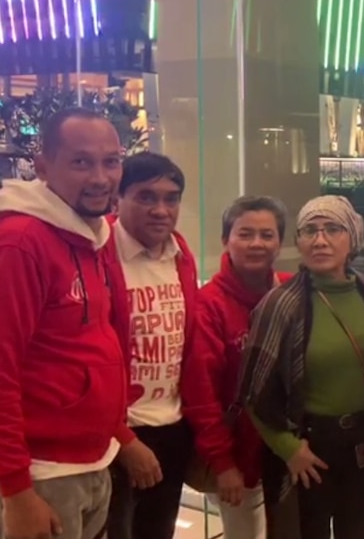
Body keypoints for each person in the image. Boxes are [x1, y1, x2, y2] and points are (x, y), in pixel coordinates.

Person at [234, 195, 364, 539]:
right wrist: (288, 448)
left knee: (363, 531)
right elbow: (254, 393)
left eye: (332, 229)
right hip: (307, 448)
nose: (320, 239)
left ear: (352, 238)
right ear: (298, 241)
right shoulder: (280, 306)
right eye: (309, 230)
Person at [0, 108, 127, 539]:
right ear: (42, 167)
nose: (100, 177)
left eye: (111, 161)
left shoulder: (92, 235)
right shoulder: (21, 243)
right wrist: (16, 491)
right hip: (42, 474)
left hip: (91, 461)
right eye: (80, 162)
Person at [183, 196, 293, 539]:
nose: (256, 244)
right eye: (245, 234)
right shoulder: (209, 305)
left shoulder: (290, 290)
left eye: (267, 235)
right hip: (236, 455)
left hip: (289, 453)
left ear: (279, 242)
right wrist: (222, 463)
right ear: (225, 240)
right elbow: (201, 393)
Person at [102, 152, 198, 539]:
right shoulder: (97, 253)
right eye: (146, 196)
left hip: (173, 427)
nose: (161, 209)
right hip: (119, 434)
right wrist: (121, 437)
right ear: (118, 198)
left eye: (171, 198)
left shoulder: (180, 254)